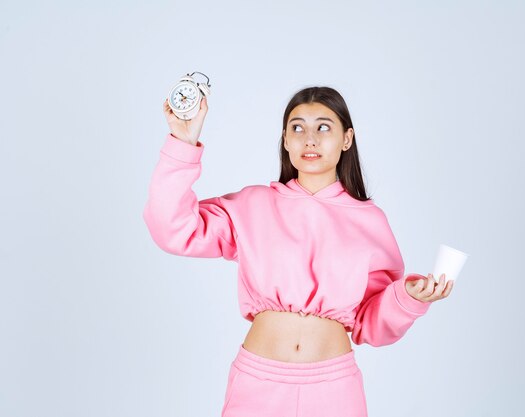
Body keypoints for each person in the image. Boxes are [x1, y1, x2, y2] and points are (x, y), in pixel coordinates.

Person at [143, 86, 453, 417]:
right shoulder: (252, 205)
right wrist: (182, 144)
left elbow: (369, 323)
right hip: (258, 385)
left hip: (334, 389)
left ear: (347, 138)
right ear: (286, 140)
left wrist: (407, 299)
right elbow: (172, 228)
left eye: (323, 127)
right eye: (297, 128)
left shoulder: (369, 220)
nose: (309, 139)